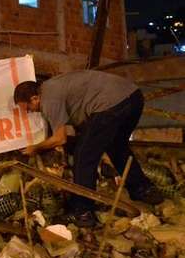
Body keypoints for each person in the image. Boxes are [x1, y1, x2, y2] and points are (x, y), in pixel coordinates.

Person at [14, 70, 163, 227]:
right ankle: (144, 189)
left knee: (84, 156)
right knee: (117, 146)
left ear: (35, 98)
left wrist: (35, 148)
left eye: (28, 108)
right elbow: (83, 127)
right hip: (133, 97)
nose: (30, 112)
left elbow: (60, 138)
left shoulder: (48, 100)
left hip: (110, 104)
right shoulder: (55, 86)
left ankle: (83, 212)